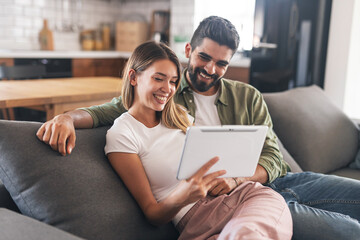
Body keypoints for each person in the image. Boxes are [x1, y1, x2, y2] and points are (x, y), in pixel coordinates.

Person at [37, 16, 360, 239]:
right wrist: (66, 117)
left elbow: (273, 156)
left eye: (221, 63)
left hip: (273, 183)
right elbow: (107, 111)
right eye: (204, 57)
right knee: (346, 231)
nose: (211, 68)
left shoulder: (245, 96)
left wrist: (237, 179)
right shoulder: (167, 98)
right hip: (223, 203)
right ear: (189, 51)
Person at [104, 40, 292, 239]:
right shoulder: (123, 134)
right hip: (195, 221)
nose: (167, 89)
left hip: (244, 199)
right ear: (133, 77)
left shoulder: (180, 116)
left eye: (173, 81)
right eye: (159, 79)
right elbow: (152, 213)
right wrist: (182, 196)